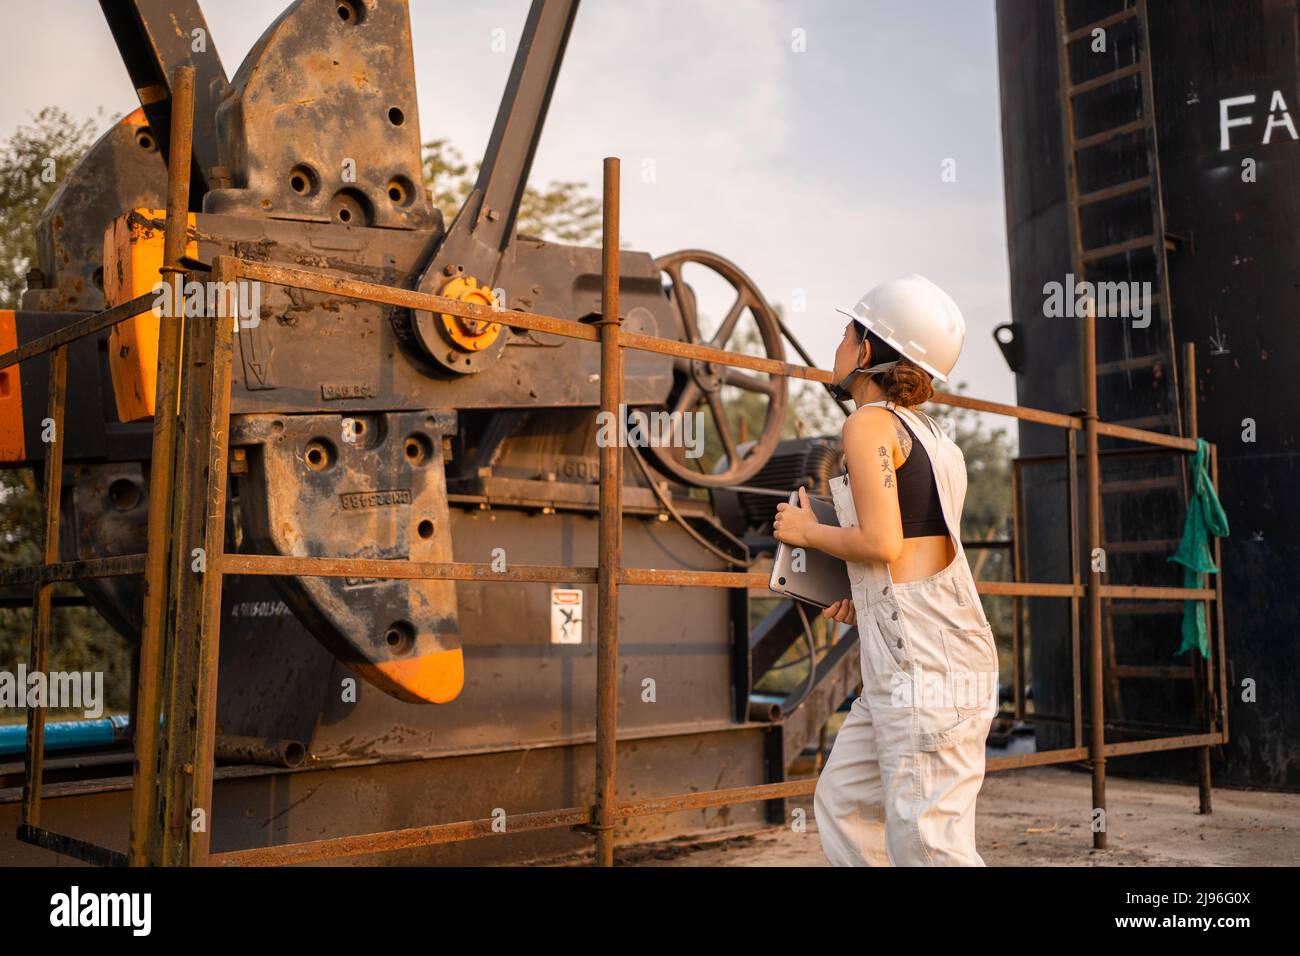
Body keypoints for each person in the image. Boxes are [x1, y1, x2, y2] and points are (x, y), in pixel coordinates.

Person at [772, 273, 999, 866]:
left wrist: (805, 532)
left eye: (847, 332)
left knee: (928, 842)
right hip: (919, 654)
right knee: (845, 802)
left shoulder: (868, 423)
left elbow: (882, 540)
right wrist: (864, 594)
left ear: (867, 350)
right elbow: (918, 547)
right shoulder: (932, 436)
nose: (839, 344)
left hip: (924, 666)